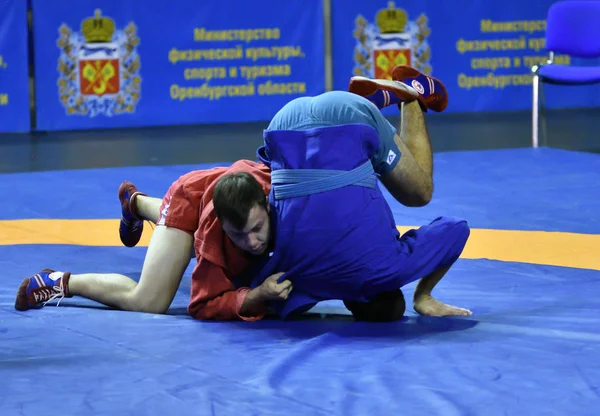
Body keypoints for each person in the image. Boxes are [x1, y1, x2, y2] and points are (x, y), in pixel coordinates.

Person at [15, 65, 470, 321]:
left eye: (257, 230)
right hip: (201, 199)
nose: (255, 242)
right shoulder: (229, 238)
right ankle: (60, 281)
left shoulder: (284, 218)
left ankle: (135, 202)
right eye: (246, 235)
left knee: (201, 220)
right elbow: (203, 303)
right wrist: (250, 299)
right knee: (150, 299)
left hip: (244, 172)